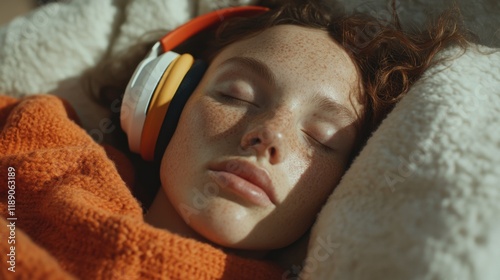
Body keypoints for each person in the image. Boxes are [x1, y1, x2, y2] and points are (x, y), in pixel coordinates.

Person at [0, 0, 472, 279]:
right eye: (237, 94)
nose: (270, 135)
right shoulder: (43, 149)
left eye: (322, 138)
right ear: (164, 103)